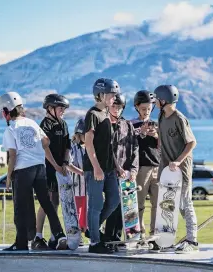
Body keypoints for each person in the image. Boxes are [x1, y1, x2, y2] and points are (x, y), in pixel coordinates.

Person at [0, 92, 67, 251]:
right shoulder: (32, 123)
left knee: (21, 207)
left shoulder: (10, 129)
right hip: (39, 167)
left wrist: (8, 178)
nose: (2, 115)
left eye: (2, 112)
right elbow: (46, 141)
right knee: (46, 203)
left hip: (23, 171)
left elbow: (12, 156)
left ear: (7, 111)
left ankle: (21, 244)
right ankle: (59, 233)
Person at [33, 94, 83, 250]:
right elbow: (45, 148)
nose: (63, 112)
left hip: (61, 168)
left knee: (56, 202)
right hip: (48, 169)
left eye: (64, 109)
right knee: (47, 203)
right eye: (61, 108)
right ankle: (37, 236)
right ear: (50, 108)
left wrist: (66, 162)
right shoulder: (44, 125)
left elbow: (67, 146)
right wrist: (55, 165)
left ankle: (54, 236)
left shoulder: (63, 124)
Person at [154, 85, 198, 254]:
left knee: (185, 204)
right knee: (167, 204)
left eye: (157, 99)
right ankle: (165, 240)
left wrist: (178, 161)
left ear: (163, 100)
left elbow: (192, 142)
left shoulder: (179, 118)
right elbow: (163, 137)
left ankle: (192, 241)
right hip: (166, 169)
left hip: (181, 169)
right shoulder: (161, 115)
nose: (155, 102)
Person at [83, 78, 121, 254]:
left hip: (109, 168)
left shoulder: (107, 115)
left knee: (114, 200)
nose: (114, 98)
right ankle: (94, 243)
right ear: (100, 95)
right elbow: (88, 144)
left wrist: (117, 166)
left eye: (115, 95)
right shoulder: (92, 115)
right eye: (111, 95)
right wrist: (96, 167)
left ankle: (93, 228)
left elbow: (109, 146)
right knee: (96, 205)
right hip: (95, 169)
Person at [103, 93, 139, 248]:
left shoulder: (127, 125)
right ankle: (108, 237)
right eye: (114, 106)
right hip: (109, 172)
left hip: (125, 173)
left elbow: (134, 148)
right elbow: (106, 150)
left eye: (119, 107)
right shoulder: (104, 123)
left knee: (123, 206)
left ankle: (117, 237)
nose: (116, 109)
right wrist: (117, 168)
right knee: (112, 204)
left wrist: (134, 169)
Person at [130, 90, 160, 250]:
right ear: (136, 107)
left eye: (149, 108)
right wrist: (140, 133)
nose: (146, 111)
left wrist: (157, 136)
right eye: (143, 108)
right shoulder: (131, 124)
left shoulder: (157, 124)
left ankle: (154, 236)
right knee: (139, 204)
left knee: (157, 204)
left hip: (157, 166)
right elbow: (127, 144)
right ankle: (139, 235)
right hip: (141, 168)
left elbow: (163, 147)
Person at [70, 118, 87, 246]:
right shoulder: (72, 147)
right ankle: (77, 236)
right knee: (76, 212)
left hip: (88, 188)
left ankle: (88, 232)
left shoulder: (90, 147)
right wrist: (81, 172)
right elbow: (68, 164)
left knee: (87, 212)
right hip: (76, 187)